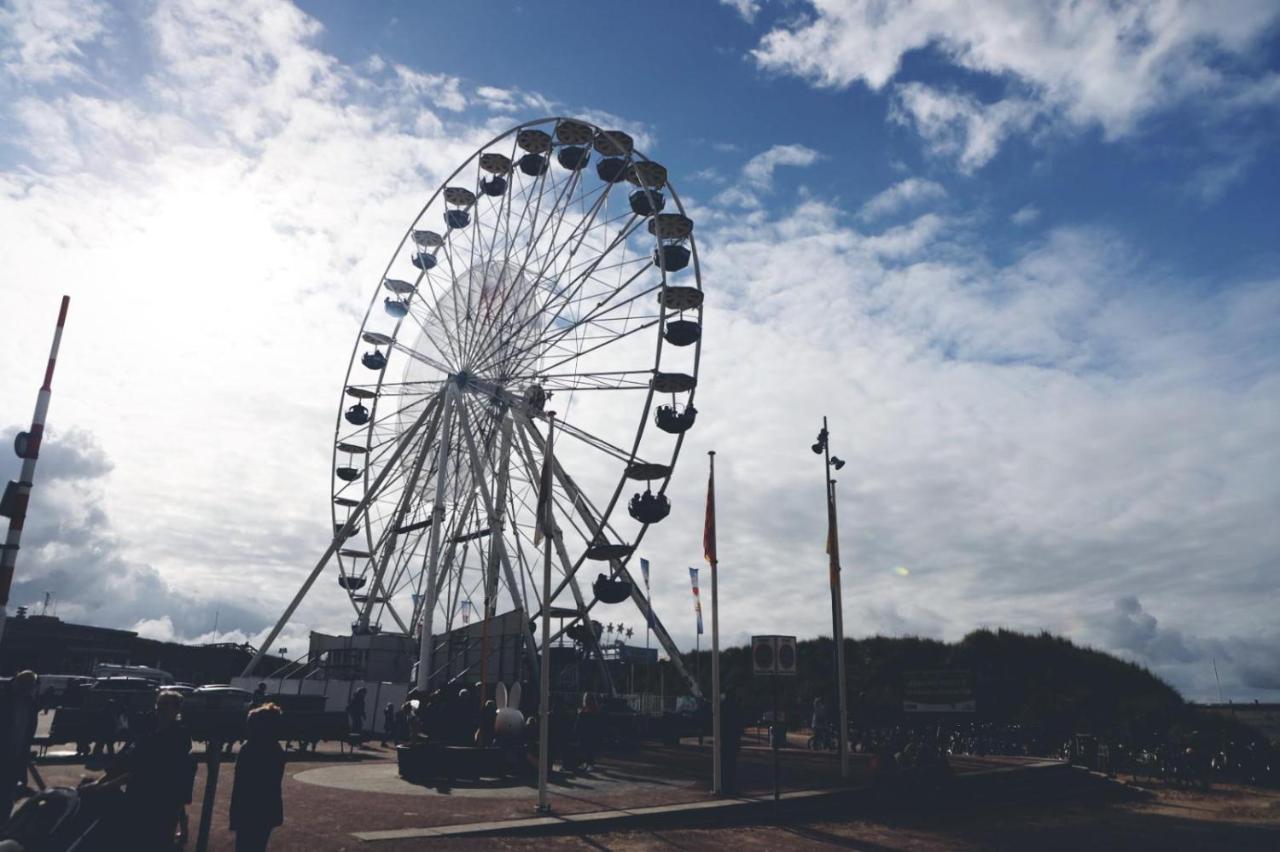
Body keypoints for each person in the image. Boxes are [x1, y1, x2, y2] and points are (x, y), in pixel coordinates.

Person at [95, 690, 195, 851]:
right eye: (158, 705)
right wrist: (100, 781)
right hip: (139, 798)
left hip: (159, 804)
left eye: (164, 706)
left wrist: (105, 786)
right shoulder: (149, 731)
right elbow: (125, 761)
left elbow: (145, 772)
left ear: (177, 710)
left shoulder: (178, 738)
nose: (159, 709)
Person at [230, 703, 285, 852]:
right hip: (266, 808)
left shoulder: (250, 748)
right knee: (258, 844)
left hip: (249, 807)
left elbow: (242, 784)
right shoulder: (275, 748)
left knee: (245, 845)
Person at [0, 671, 38, 826]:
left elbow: (28, 733)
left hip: (15, 756)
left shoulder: (29, 702)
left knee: (6, 795)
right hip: (8, 754)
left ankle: (2, 825)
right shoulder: (4, 698)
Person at [573, 693, 601, 772]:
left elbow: (579, 724)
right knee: (586, 748)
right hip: (588, 734)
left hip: (586, 733)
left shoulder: (586, 712)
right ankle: (587, 762)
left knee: (586, 748)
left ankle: (589, 763)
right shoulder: (595, 711)